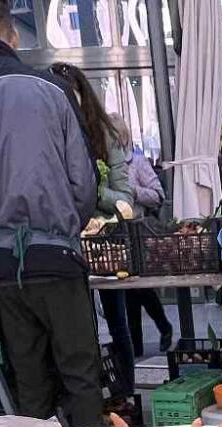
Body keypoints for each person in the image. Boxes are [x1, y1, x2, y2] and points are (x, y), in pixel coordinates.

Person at [0, 0, 106, 427]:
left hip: (2, 266)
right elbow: (84, 181)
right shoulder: (50, 90)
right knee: (81, 376)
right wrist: (65, 226)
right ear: (12, 36)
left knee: (30, 384)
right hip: (58, 257)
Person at [51, 61, 174, 388]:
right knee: (76, 328)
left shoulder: (108, 142)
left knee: (120, 315)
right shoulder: (43, 135)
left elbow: (126, 198)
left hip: (107, 242)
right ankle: (97, 394)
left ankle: (126, 391)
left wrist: (85, 188)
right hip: (59, 247)